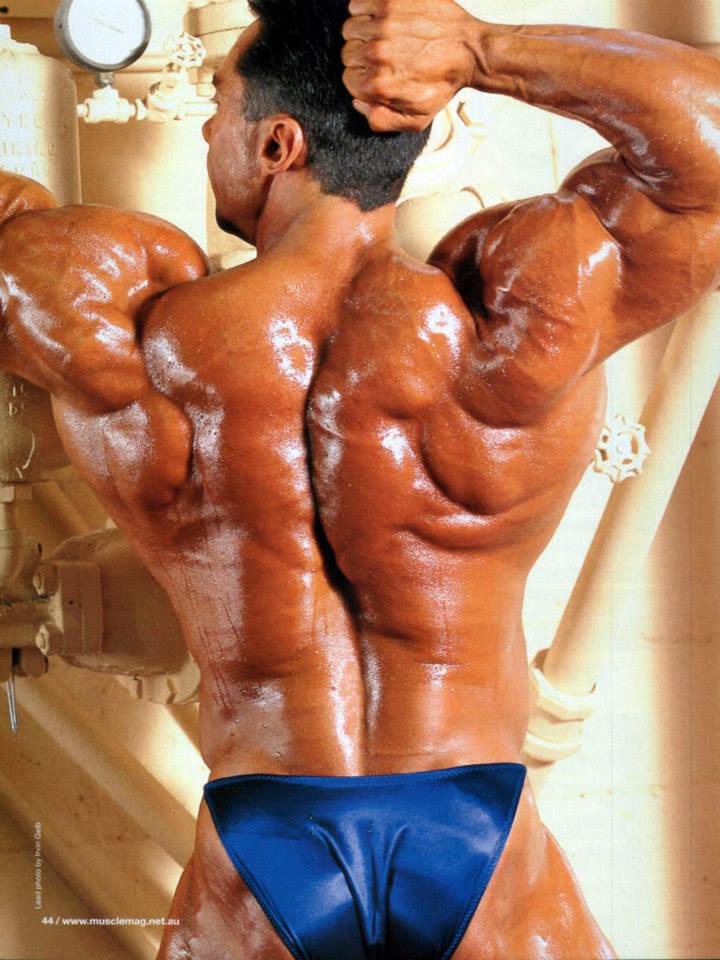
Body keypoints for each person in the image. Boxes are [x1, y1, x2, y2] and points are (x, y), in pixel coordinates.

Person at [1, 0, 719, 957]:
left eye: (217, 105)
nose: (207, 132)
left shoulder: (139, 334)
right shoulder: (509, 319)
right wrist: (480, 51)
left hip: (265, 840)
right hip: (472, 827)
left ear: (277, 144)